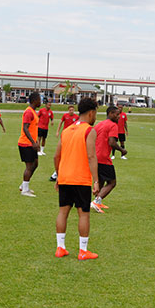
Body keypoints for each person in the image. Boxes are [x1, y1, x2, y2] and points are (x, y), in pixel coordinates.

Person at [53, 97, 100, 260]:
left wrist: (59, 175)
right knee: (84, 214)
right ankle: (83, 251)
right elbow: (91, 156)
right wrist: (96, 180)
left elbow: (56, 156)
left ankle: (60, 248)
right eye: (96, 114)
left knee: (63, 212)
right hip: (80, 178)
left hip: (65, 177)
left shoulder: (67, 130)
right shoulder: (89, 130)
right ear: (91, 112)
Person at [91, 105, 127, 213]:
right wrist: (122, 150)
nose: (119, 116)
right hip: (103, 157)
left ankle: (97, 202)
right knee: (112, 182)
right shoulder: (113, 125)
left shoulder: (99, 124)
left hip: (95, 156)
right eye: (116, 114)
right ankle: (96, 201)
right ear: (110, 113)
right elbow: (112, 142)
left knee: (101, 181)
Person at [18, 92, 41, 197]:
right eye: (39, 99)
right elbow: (25, 128)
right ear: (34, 100)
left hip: (31, 143)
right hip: (26, 143)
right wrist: (33, 142)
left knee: (35, 164)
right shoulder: (28, 112)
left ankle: (24, 185)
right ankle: (25, 190)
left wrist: (36, 142)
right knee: (29, 166)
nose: (41, 101)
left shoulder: (33, 112)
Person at [50, 104, 79, 181]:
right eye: (70, 110)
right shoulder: (65, 116)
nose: (71, 111)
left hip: (72, 137)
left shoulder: (76, 117)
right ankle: (56, 174)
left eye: (72, 110)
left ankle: (57, 174)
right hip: (65, 137)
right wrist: (57, 131)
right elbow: (60, 123)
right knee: (64, 154)